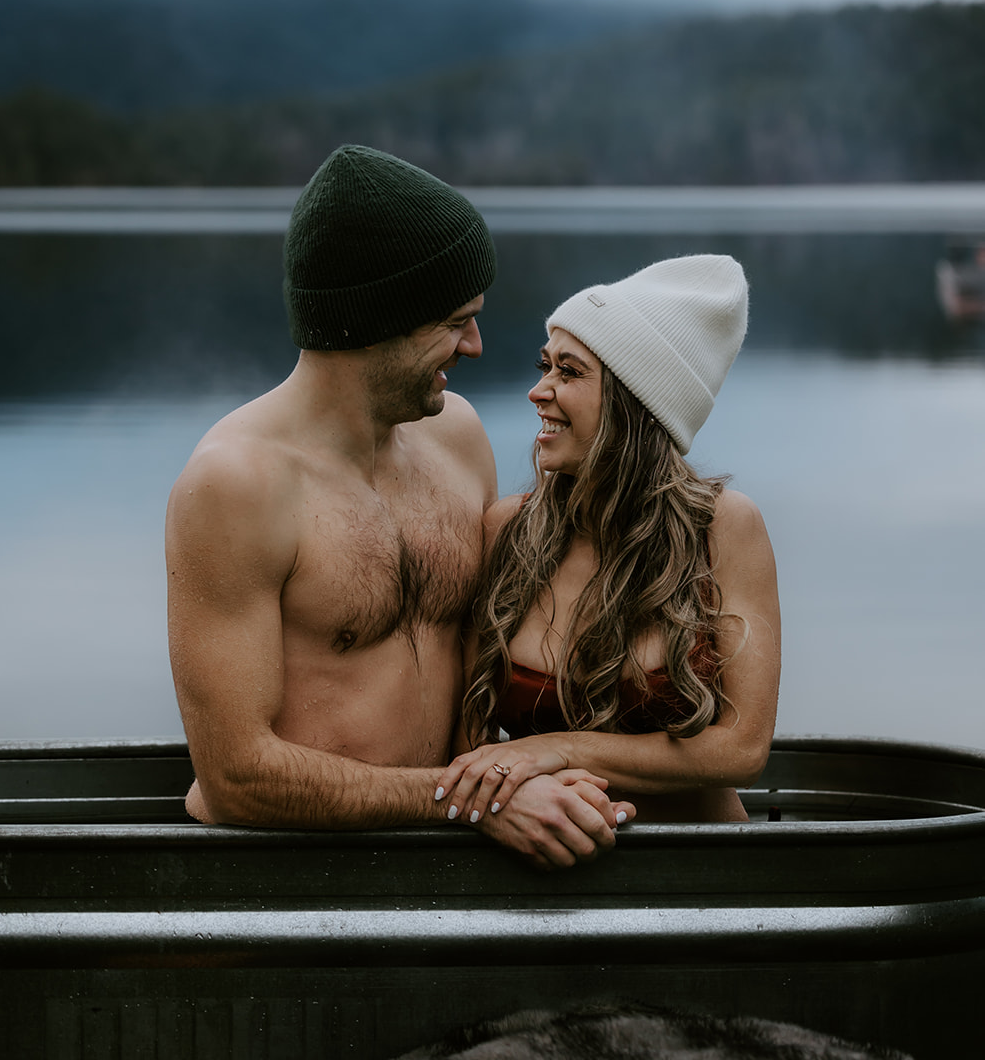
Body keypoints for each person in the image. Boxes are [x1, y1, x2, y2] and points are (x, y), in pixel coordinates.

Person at [166, 144, 626, 867]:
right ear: (380, 318)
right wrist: (472, 800)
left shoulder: (458, 436)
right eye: (453, 321)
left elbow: (480, 661)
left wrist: (531, 774)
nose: (473, 345)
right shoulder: (237, 484)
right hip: (289, 872)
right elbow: (235, 780)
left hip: (450, 860)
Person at [434, 254, 780, 825]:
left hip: (704, 873)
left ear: (636, 403)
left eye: (568, 373)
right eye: (545, 366)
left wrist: (560, 749)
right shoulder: (507, 532)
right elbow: (468, 740)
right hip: (536, 870)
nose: (538, 392)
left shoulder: (722, 528)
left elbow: (742, 751)